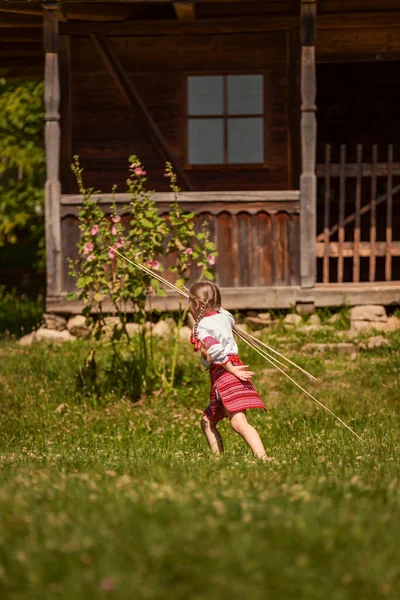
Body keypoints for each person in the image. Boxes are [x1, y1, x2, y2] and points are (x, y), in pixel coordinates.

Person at [189, 281, 270, 461]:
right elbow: (227, 317)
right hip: (229, 366)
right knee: (207, 421)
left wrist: (232, 370)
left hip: (226, 371)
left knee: (238, 422)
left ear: (196, 305)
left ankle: (263, 458)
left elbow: (216, 350)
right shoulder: (225, 316)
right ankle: (219, 460)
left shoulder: (202, 327)